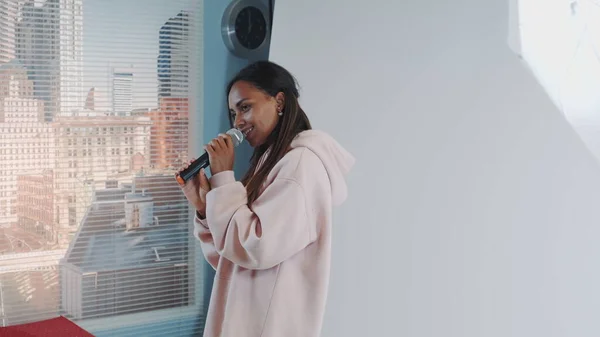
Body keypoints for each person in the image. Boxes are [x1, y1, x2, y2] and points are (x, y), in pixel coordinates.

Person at [178, 60, 355, 337]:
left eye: (245, 107)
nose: (237, 122)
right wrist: (203, 205)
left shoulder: (300, 167)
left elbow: (256, 248)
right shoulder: (271, 163)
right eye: (233, 113)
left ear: (279, 102)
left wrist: (224, 177)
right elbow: (231, 258)